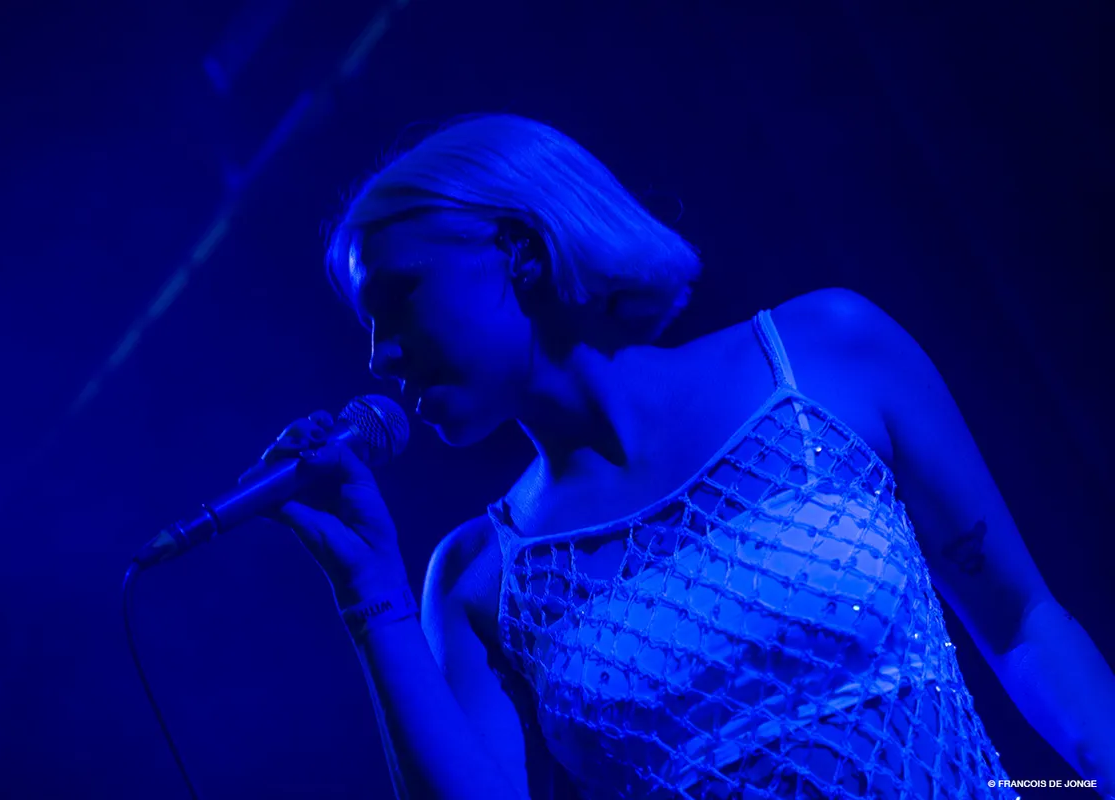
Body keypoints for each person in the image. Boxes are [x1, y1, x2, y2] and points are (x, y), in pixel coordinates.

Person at [253, 115, 1115, 798]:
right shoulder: (479, 580)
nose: (379, 356)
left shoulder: (826, 355)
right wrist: (369, 593)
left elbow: (1024, 623)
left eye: (397, 297)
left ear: (519, 249)